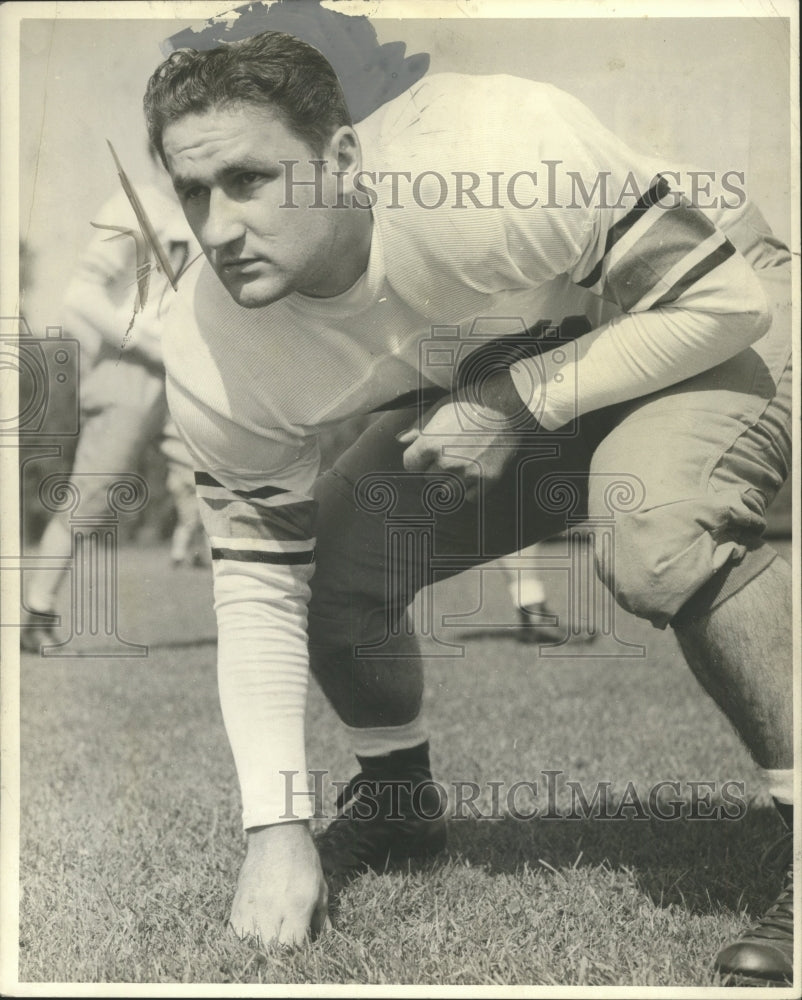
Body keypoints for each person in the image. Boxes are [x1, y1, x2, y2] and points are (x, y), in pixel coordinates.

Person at [143, 31, 794, 982]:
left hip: (699, 312)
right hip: (514, 371)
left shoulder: (489, 156)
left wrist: (515, 400)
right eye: (192, 190)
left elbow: (723, 305)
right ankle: (401, 809)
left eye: (250, 179)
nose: (219, 226)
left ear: (344, 158)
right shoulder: (209, 347)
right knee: (334, 567)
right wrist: (273, 827)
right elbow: (257, 589)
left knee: (654, 532)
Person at [21, 164, 204, 651]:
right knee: (90, 495)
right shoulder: (134, 205)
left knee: (221, 484)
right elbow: (80, 295)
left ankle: (264, 618)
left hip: (188, 368)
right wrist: (146, 337)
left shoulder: (208, 201)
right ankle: (36, 612)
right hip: (131, 367)